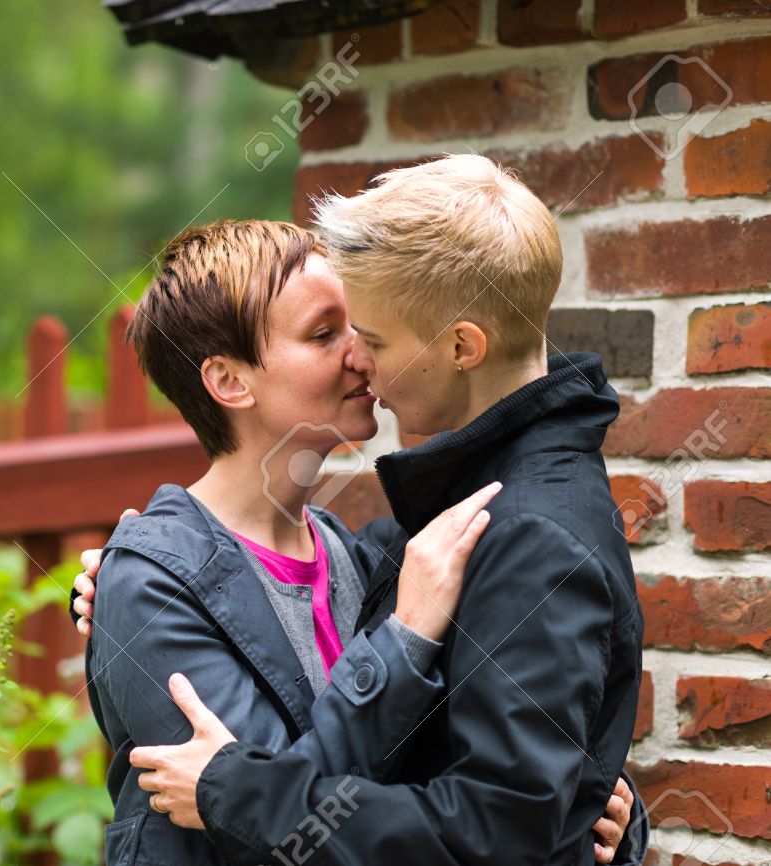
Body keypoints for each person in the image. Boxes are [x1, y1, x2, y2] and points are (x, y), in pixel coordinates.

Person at [76, 203, 641, 865]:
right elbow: (271, 843)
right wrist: (404, 641)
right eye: (324, 334)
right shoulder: (151, 588)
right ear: (229, 381)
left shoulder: (371, 557)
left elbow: (469, 786)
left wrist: (590, 804)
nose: (362, 353)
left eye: (361, 327)